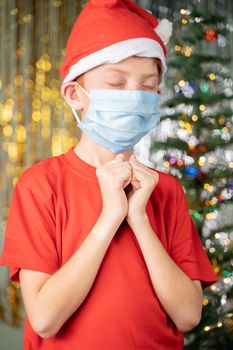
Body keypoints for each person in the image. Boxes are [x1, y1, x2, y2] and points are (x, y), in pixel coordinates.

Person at [0, 1, 218, 349]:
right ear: (75, 95)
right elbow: (44, 318)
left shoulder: (166, 190)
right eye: (116, 83)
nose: (134, 96)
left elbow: (188, 315)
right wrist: (110, 217)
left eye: (148, 86)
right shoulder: (41, 184)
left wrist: (139, 219)